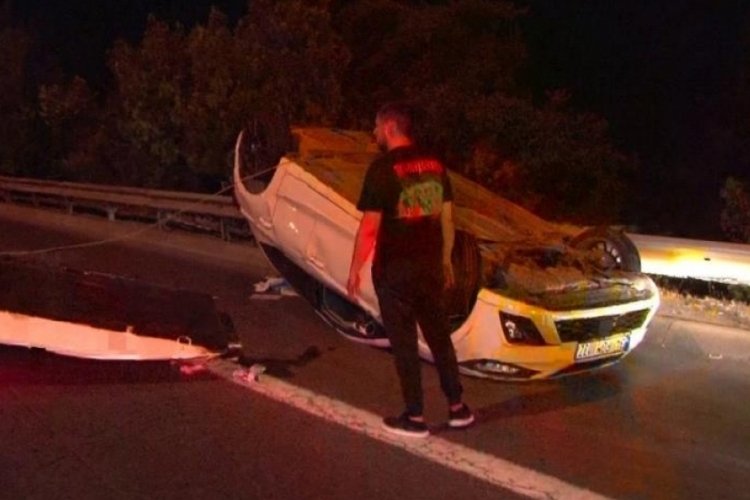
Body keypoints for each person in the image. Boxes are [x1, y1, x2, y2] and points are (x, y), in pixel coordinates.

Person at [347, 101, 474, 438]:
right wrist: (445, 260)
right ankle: (458, 407)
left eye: (376, 127)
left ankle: (415, 417)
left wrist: (355, 269)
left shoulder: (382, 169)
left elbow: (370, 228)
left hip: (395, 272)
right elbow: (448, 218)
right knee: (439, 339)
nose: (374, 132)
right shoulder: (435, 164)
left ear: (390, 127)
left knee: (404, 344)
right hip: (430, 269)